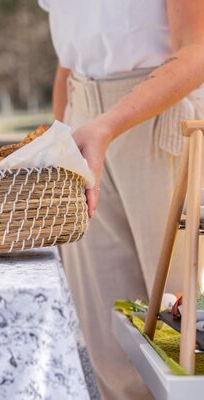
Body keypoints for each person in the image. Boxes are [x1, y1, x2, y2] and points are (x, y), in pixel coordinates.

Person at [38, 1, 204, 399]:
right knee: (110, 347)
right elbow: (68, 62)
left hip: (158, 113)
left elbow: (198, 50)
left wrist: (107, 125)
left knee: (186, 338)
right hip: (83, 121)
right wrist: (58, 142)